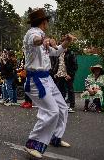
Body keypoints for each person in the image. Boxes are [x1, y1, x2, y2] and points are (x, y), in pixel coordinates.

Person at [23, 8, 76, 158]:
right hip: (36, 81)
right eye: (47, 21)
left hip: (47, 79)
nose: (48, 23)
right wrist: (44, 40)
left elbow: (56, 51)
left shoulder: (42, 36)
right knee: (52, 111)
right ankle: (32, 143)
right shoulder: (32, 34)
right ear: (43, 22)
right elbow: (35, 41)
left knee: (62, 108)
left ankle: (55, 138)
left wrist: (67, 41)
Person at [51, 39, 78, 113]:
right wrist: (55, 73)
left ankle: (71, 106)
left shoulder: (71, 53)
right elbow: (56, 64)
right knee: (60, 91)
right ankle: (62, 106)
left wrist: (70, 75)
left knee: (70, 90)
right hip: (59, 75)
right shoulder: (58, 54)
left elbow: (75, 66)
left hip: (67, 75)